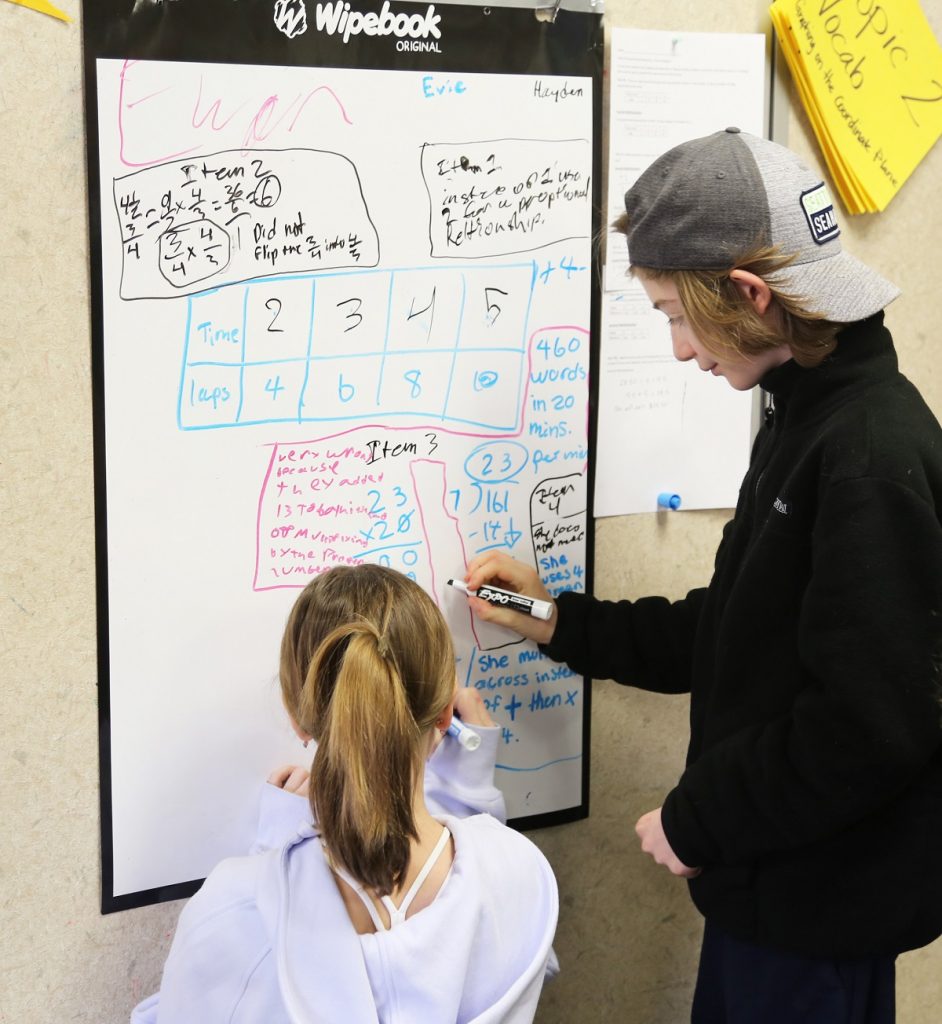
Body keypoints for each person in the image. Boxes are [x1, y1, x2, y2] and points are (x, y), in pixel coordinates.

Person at [463, 128, 942, 1023]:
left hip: (815, 916)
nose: (681, 350)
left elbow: (870, 727)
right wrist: (552, 619)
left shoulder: (867, 455)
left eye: (676, 317)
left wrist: (698, 819)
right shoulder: (804, 417)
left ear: (751, 295)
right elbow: (730, 626)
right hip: (777, 893)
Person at [131, 564, 558, 1023]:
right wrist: (466, 783)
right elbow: (452, 948)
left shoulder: (234, 913)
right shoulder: (522, 876)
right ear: (442, 717)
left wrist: (280, 843)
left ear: (296, 717)